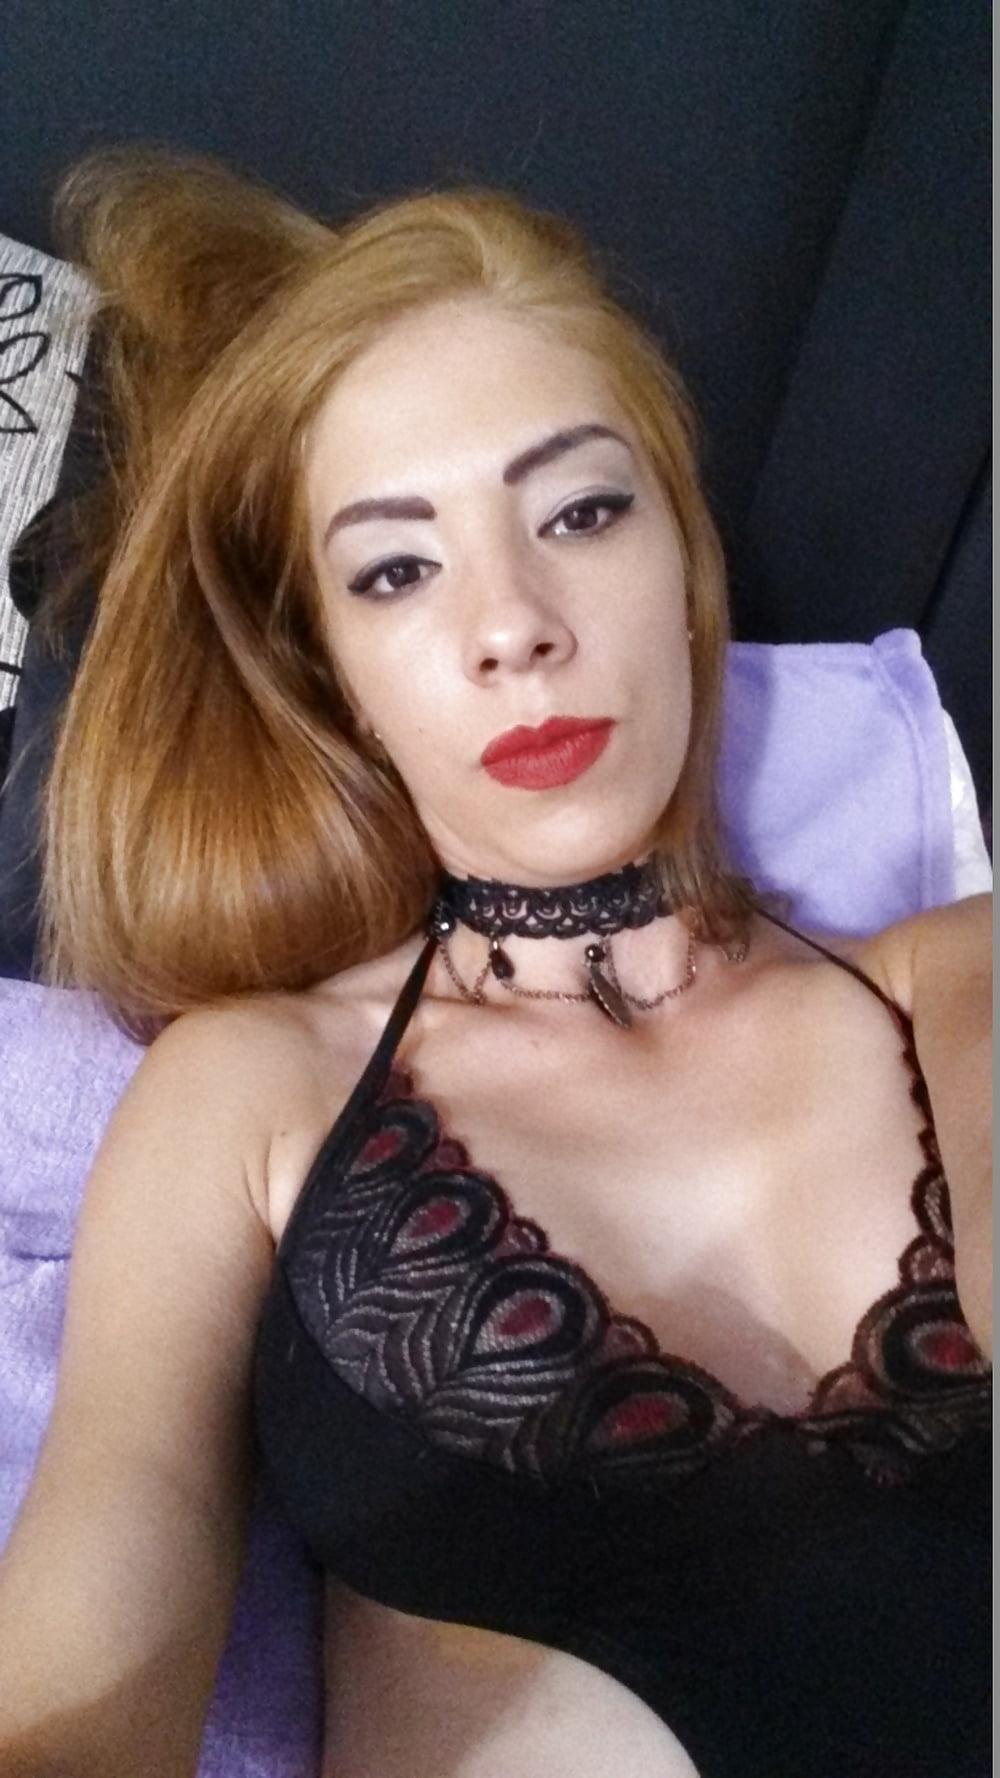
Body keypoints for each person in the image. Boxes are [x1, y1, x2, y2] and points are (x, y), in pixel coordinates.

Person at [0, 149, 990, 1778]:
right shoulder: (254, 1087)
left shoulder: (957, 979)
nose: (512, 620)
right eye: (397, 568)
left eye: (582, 511)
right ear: (339, 673)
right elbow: (97, 1610)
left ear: (686, 560)